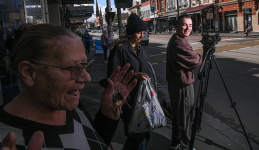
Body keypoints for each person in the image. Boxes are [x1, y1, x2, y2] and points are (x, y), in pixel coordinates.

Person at [0, 24, 137, 150]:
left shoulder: (72, 106)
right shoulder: (9, 141)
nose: (87, 78)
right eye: (73, 68)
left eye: (85, 66)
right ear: (29, 73)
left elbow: (94, 142)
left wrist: (107, 115)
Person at [107, 13, 156, 150]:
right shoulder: (120, 50)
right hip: (129, 101)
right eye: (139, 32)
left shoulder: (139, 48)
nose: (142, 35)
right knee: (136, 136)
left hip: (143, 100)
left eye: (143, 32)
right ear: (131, 33)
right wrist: (135, 77)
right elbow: (112, 76)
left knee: (143, 134)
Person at [166, 14, 202, 150]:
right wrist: (200, 55)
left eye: (191, 25)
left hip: (177, 84)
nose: (188, 28)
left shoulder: (179, 39)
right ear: (177, 26)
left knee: (178, 116)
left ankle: (175, 143)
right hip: (182, 86)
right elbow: (194, 60)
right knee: (185, 117)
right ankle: (186, 145)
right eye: (185, 24)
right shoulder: (178, 42)